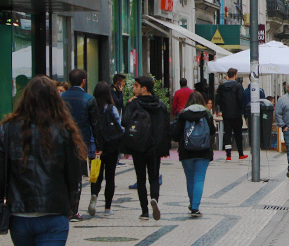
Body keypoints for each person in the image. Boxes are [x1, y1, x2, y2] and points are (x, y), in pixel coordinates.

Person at [0, 76, 86, 246]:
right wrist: (70, 208)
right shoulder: (63, 129)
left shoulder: (7, 129)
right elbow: (74, 175)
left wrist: (0, 211)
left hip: (20, 216)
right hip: (54, 214)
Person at [122, 76, 170, 221]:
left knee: (140, 178)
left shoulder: (134, 104)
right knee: (154, 177)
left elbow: (125, 122)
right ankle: (154, 198)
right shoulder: (160, 105)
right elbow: (166, 126)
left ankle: (144, 211)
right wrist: (164, 146)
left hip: (138, 146)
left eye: (136, 85)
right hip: (155, 147)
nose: (133, 88)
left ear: (144, 88)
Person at [170, 91, 216, 217]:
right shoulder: (207, 114)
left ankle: (192, 203)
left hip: (186, 151)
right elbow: (212, 131)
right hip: (204, 150)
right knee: (199, 179)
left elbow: (175, 134)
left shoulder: (183, 115)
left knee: (190, 179)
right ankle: (195, 207)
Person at [60, 69, 98, 222]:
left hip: (61, 141)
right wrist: (99, 145)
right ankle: (73, 210)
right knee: (76, 177)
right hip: (81, 143)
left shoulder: (60, 98)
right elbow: (95, 124)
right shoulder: (89, 99)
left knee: (62, 175)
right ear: (83, 81)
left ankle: (64, 208)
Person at [87, 82, 124, 217]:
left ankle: (93, 195)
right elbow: (119, 126)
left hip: (95, 147)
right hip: (110, 147)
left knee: (95, 175)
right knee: (110, 176)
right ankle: (108, 208)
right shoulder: (111, 108)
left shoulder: (91, 107)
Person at [216, 68, 247, 161]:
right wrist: (241, 110)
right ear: (235, 75)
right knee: (238, 133)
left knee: (227, 134)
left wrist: (222, 108)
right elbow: (241, 99)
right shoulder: (238, 86)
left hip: (226, 114)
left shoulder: (221, 87)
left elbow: (218, 99)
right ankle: (240, 153)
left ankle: (228, 155)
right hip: (236, 114)